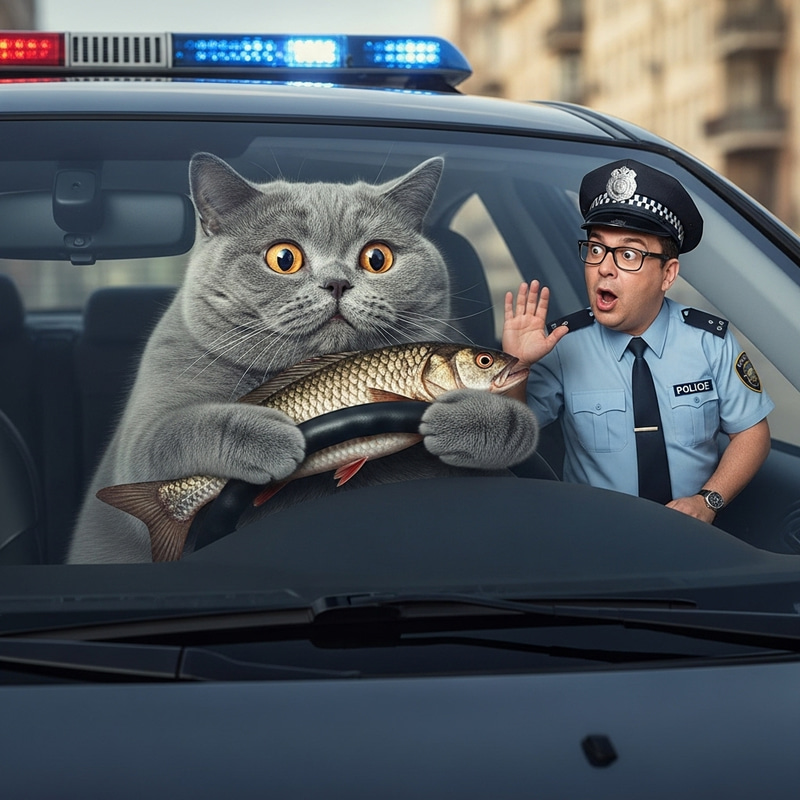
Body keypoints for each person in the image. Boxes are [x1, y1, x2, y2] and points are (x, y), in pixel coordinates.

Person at [502, 158, 774, 523]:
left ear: (668, 274)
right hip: (596, 541)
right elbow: (512, 440)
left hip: (695, 540)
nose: (605, 267)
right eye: (596, 249)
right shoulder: (564, 344)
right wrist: (516, 366)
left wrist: (707, 501)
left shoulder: (710, 341)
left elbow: (752, 432)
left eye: (628, 254)